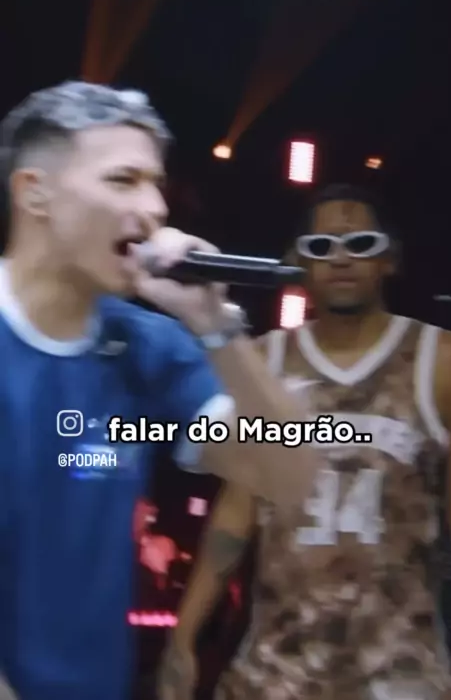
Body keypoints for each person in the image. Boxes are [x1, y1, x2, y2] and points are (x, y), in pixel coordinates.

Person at [0, 81, 315, 700]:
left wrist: (216, 325)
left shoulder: (145, 346)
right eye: (123, 180)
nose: (153, 208)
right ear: (36, 193)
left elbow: (288, 476)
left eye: (156, 184)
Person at [161, 183, 451, 700]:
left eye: (361, 243)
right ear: (297, 263)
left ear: (390, 259)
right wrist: (184, 634)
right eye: (321, 246)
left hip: (400, 669)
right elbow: (238, 509)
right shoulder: (264, 361)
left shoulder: (441, 358)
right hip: (276, 672)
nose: (341, 258)